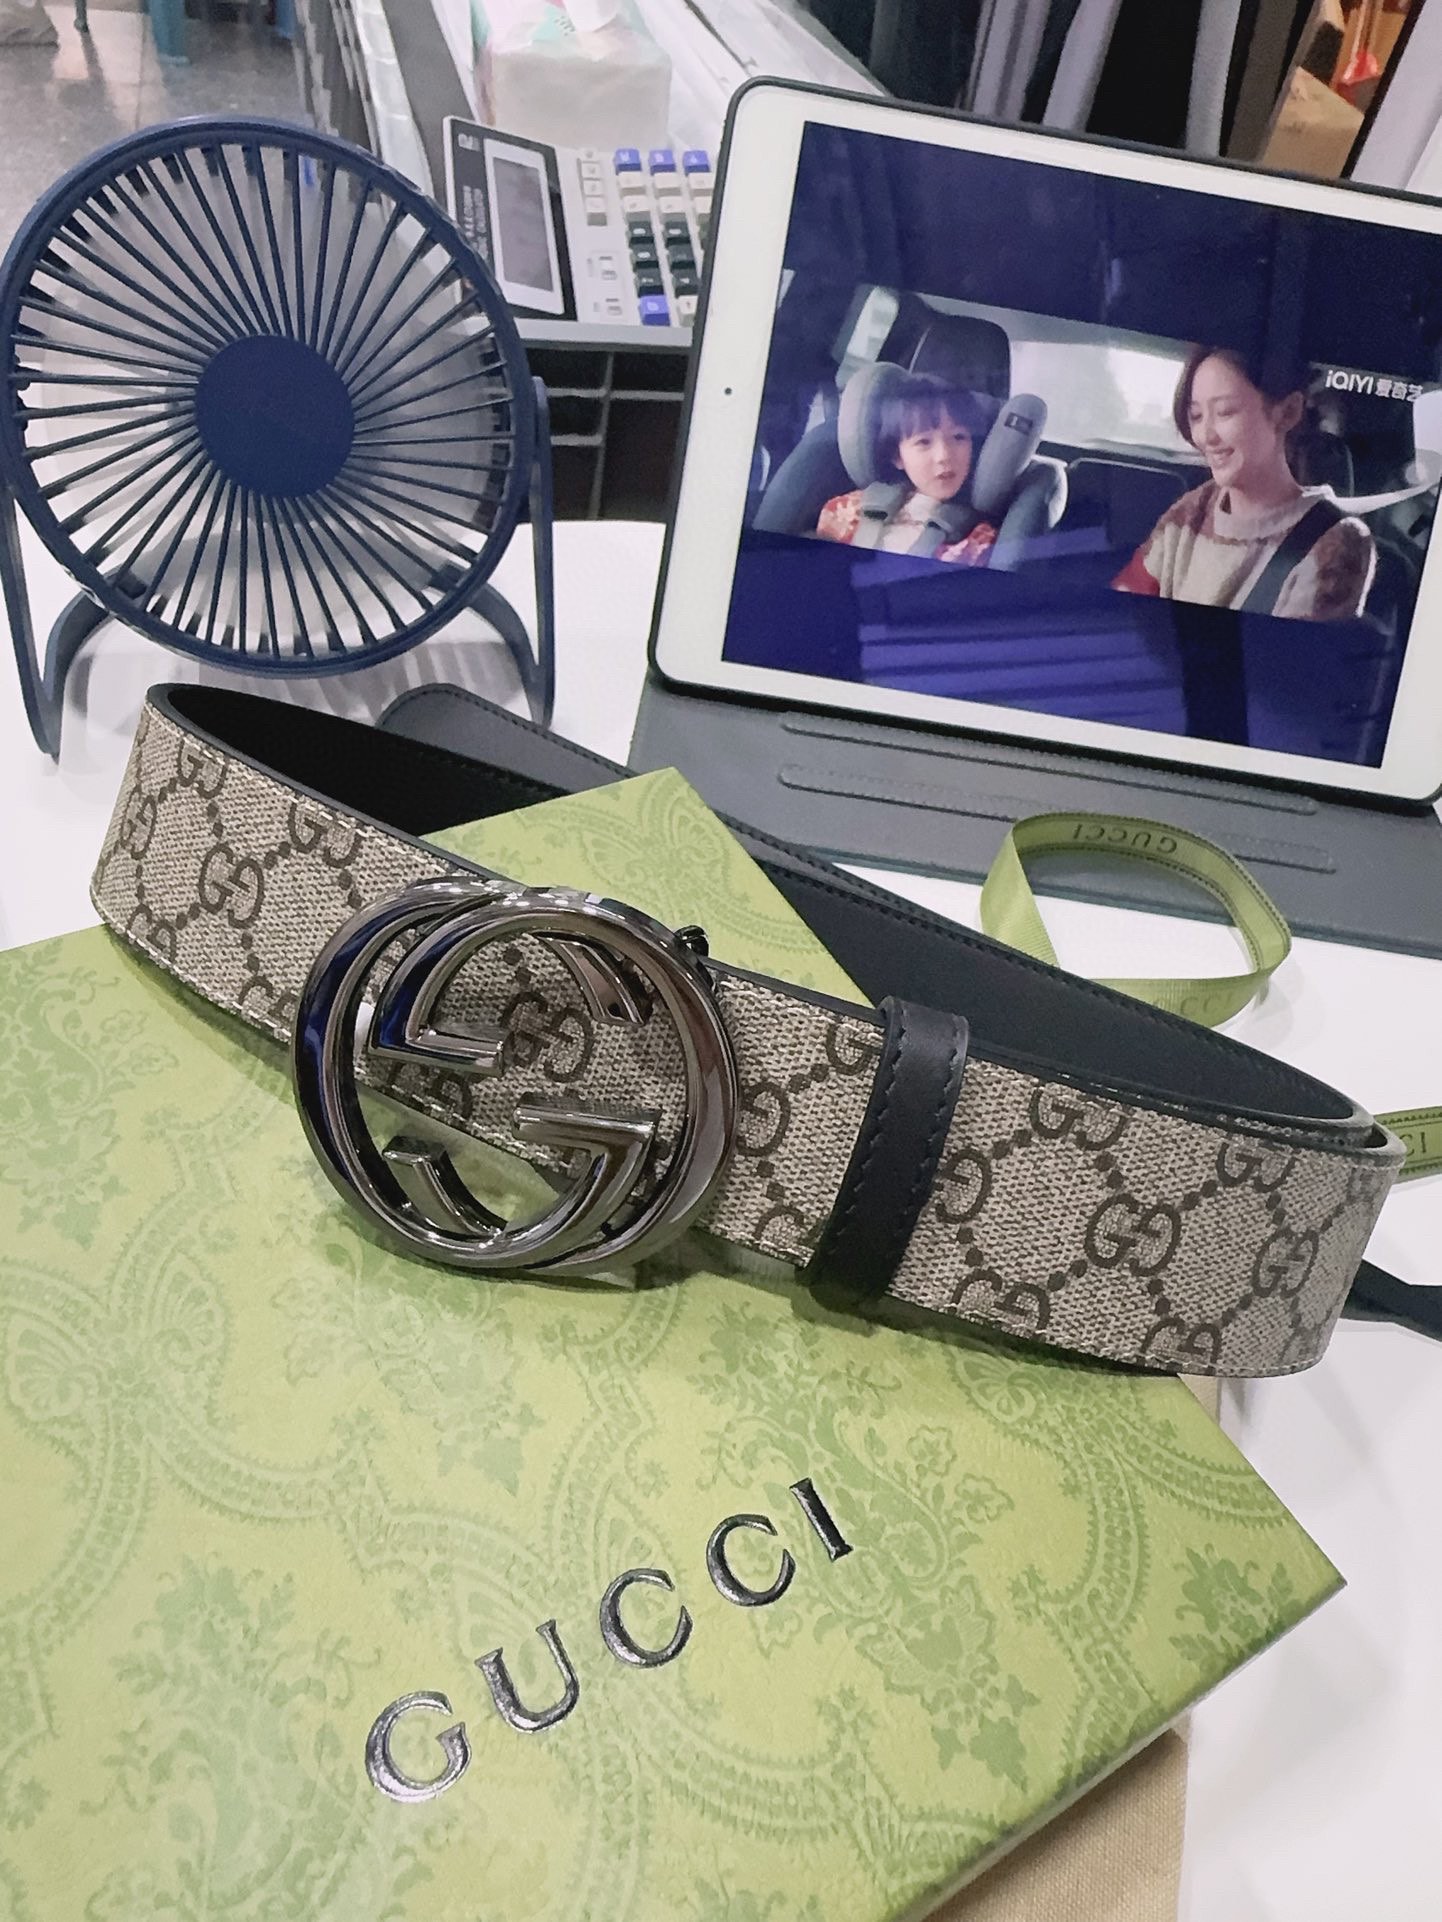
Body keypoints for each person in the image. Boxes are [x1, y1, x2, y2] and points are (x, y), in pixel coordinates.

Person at [1113, 346, 1375, 620]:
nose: (1206, 436)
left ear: (1287, 412)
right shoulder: (1190, 512)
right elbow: (1124, 612)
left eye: (1225, 412)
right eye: (1196, 416)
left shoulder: (1335, 542)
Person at [815, 373, 998, 565]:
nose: (944, 456)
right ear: (897, 456)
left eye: (959, 437)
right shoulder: (845, 512)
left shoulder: (980, 542)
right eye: (924, 442)